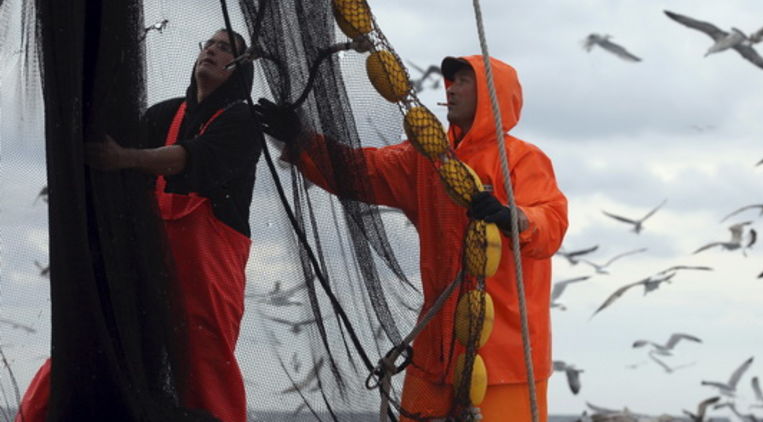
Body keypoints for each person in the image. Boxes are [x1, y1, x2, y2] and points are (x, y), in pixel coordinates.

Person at [257, 55, 568, 421]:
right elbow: (361, 171)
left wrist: (514, 216)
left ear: (492, 95)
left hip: (506, 358)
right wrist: (302, 140)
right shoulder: (428, 159)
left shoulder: (522, 159)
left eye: (464, 81)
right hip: (434, 352)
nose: (451, 88)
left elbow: (552, 220)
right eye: (450, 82)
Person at [17, 29, 262, 422]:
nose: (213, 51)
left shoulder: (244, 121)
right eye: (209, 44)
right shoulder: (164, 115)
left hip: (207, 277)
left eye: (226, 49)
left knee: (205, 366)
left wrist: (125, 157)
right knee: (88, 335)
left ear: (240, 69)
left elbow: (191, 160)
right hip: (143, 265)